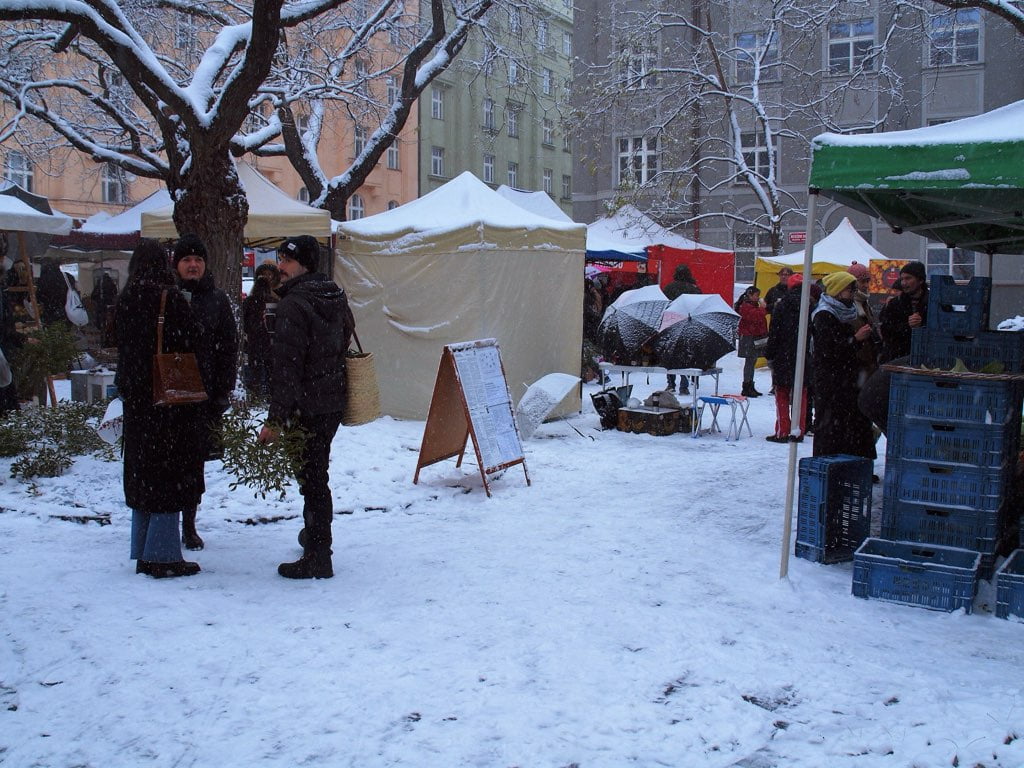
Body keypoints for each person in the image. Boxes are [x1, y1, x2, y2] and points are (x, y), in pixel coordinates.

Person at [258, 235, 354, 580]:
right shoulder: (334, 294)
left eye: (286, 260)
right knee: (316, 474)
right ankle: (314, 535)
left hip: (307, 405)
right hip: (331, 402)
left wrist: (276, 420)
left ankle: (318, 555)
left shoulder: (294, 305)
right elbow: (346, 335)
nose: (280, 267)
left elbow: (287, 369)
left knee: (312, 479)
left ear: (305, 265)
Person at [114, 239, 206, 578]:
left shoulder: (125, 300)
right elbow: (191, 341)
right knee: (168, 476)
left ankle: (142, 549)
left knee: (141, 475)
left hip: (137, 402)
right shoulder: (170, 299)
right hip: (167, 401)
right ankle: (164, 556)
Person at [172, 234, 238, 551]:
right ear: (177, 264)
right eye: (187, 260)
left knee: (194, 464)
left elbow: (229, 347)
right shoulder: (166, 296)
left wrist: (223, 390)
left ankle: (189, 524)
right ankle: (164, 522)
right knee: (167, 463)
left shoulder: (216, 300)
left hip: (203, 397)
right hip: (169, 398)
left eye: (198, 260)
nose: (193, 265)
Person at [810, 270, 877, 462]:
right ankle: (827, 465)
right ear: (839, 291)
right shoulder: (824, 315)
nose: (854, 292)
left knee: (850, 424)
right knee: (830, 426)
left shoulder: (848, 312)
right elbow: (828, 350)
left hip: (847, 378)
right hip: (831, 382)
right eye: (850, 289)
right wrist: (855, 339)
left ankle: (849, 465)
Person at [763, 272, 813, 442]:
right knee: (802, 394)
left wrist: (769, 353)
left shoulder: (782, 305)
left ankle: (783, 430)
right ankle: (798, 429)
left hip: (783, 355)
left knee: (782, 393)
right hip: (804, 355)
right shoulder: (811, 305)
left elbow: (774, 332)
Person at [242, 261, 281, 399]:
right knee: (259, 371)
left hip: (270, 343)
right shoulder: (252, 300)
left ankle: (260, 393)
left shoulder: (280, 298)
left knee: (265, 371)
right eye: (264, 275)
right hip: (259, 343)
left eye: (269, 275)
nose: (266, 278)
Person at [878, 260, 928, 363]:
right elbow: (886, 331)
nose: (904, 283)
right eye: (902, 279)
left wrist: (922, 324)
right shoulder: (895, 304)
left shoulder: (934, 303)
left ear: (920, 280)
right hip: (897, 359)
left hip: (926, 359)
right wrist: (907, 326)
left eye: (908, 278)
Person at [662, 263, 700, 394]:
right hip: (688, 324)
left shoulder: (669, 288)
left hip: (671, 322)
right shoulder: (694, 289)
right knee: (685, 354)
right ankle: (684, 385)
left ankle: (671, 383)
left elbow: (663, 305)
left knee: (670, 353)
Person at [847, 262, 881, 379]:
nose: (866, 285)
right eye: (862, 281)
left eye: (867, 281)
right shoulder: (848, 305)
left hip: (867, 361)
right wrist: (856, 339)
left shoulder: (864, 303)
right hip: (855, 362)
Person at [734, 285, 767, 397]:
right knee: (749, 362)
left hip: (753, 336)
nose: (758, 298)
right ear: (750, 295)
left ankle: (750, 385)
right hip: (748, 337)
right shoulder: (745, 306)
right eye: (756, 295)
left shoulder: (751, 305)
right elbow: (755, 317)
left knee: (752, 362)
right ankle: (746, 386)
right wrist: (763, 308)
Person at [35, 260, 69, 326]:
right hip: (64, 308)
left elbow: (39, 294)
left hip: (49, 309)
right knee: (63, 329)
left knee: (51, 330)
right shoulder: (67, 276)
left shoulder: (44, 277)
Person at [91, 270, 119, 347]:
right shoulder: (111, 283)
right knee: (110, 324)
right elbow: (115, 293)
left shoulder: (99, 284)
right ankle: (107, 339)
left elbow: (93, 296)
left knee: (102, 323)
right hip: (109, 306)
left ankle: (103, 339)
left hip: (101, 307)